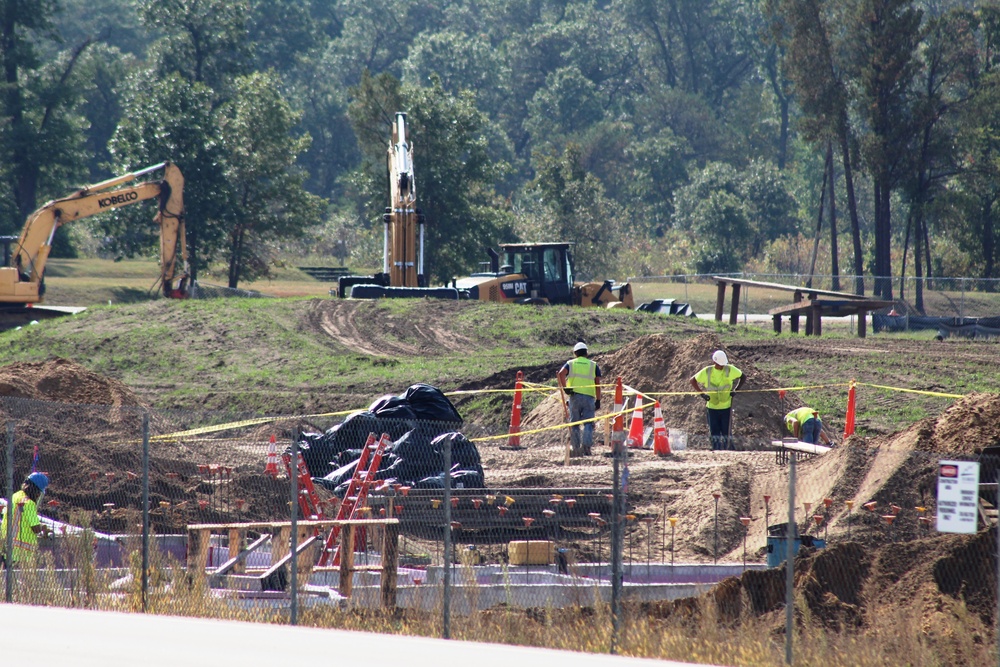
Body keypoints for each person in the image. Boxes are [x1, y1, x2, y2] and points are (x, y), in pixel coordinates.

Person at [689, 350, 743, 451]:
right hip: (712, 408)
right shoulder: (707, 371)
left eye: (723, 365)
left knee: (726, 432)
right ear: (714, 362)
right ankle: (717, 451)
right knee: (714, 432)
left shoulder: (730, 369)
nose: (722, 366)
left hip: (726, 407)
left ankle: (730, 451)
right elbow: (693, 380)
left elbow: (743, 377)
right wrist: (702, 394)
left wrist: (736, 390)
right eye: (720, 365)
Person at [557, 341, 602, 456]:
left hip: (574, 397)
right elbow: (597, 384)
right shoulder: (593, 365)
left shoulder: (571, 363)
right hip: (589, 397)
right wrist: (598, 400)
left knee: (575, 423)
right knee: (588, 423)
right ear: (586, 353)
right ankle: (586, 448)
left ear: (575, 353)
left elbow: (561, 374)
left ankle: (576, 448)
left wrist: (565, 389)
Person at [1, 472, 50, 567]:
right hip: (20, 553)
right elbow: (35, 528)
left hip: (6, 546)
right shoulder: (28, 503)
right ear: (35, 490)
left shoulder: (16, 496)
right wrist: (44, 528)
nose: (38, 495)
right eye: (39, 492)